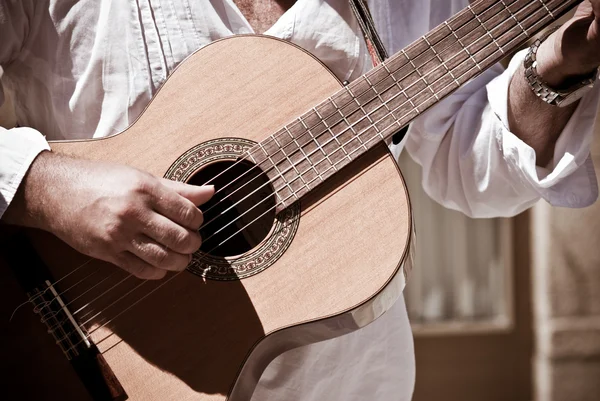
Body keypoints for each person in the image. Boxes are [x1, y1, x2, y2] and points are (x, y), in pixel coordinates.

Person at [1, 0, 599, 400]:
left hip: (351, 378)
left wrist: (553, 70)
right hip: (83, 348)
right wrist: (43, 186)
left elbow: (467, 163)